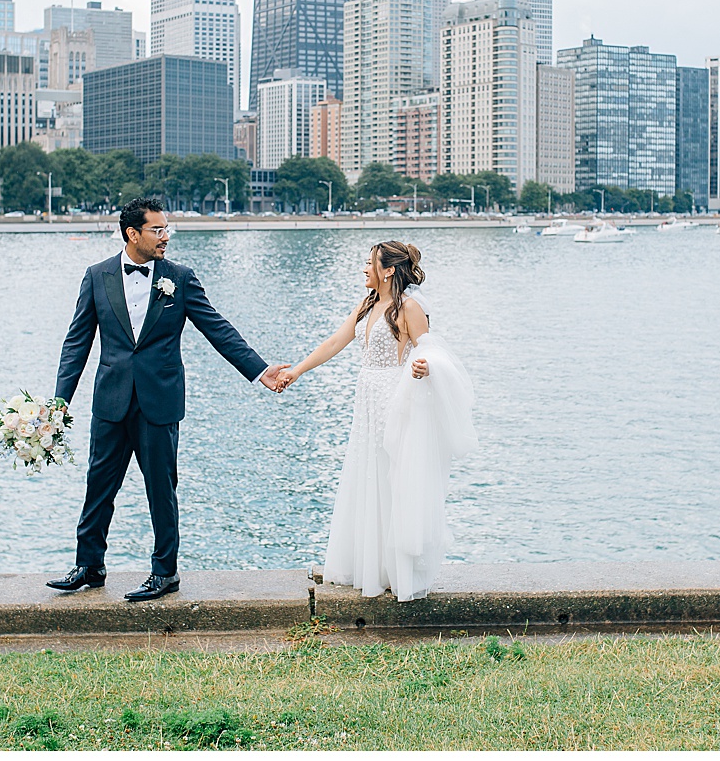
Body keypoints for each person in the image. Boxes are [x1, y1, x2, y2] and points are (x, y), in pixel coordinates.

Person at [48, 196, 290, 602]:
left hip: (159, 401)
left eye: (166, 229)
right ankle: (90, 565)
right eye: (157, 230)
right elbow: (77, 344)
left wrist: (260, 371)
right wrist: (59, 403)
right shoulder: (97, 276)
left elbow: (218, 328)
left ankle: (165, 573)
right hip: (110, 400)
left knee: (161, 488)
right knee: (98, 486)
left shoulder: (180, 276)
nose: (165, 236)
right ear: (132, 233)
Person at [274, 241, 477, 601]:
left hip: (396, 398)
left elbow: (431, 348)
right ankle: (371, 566)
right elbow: (337, 340)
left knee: (393, 477)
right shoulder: (369, 304)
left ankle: (398, 572)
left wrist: (425, 365)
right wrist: (297, 371)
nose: (364, 269)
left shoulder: (409, 307)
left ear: (387, 271)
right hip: (367, 401)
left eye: (369, 264)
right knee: (368, 475)